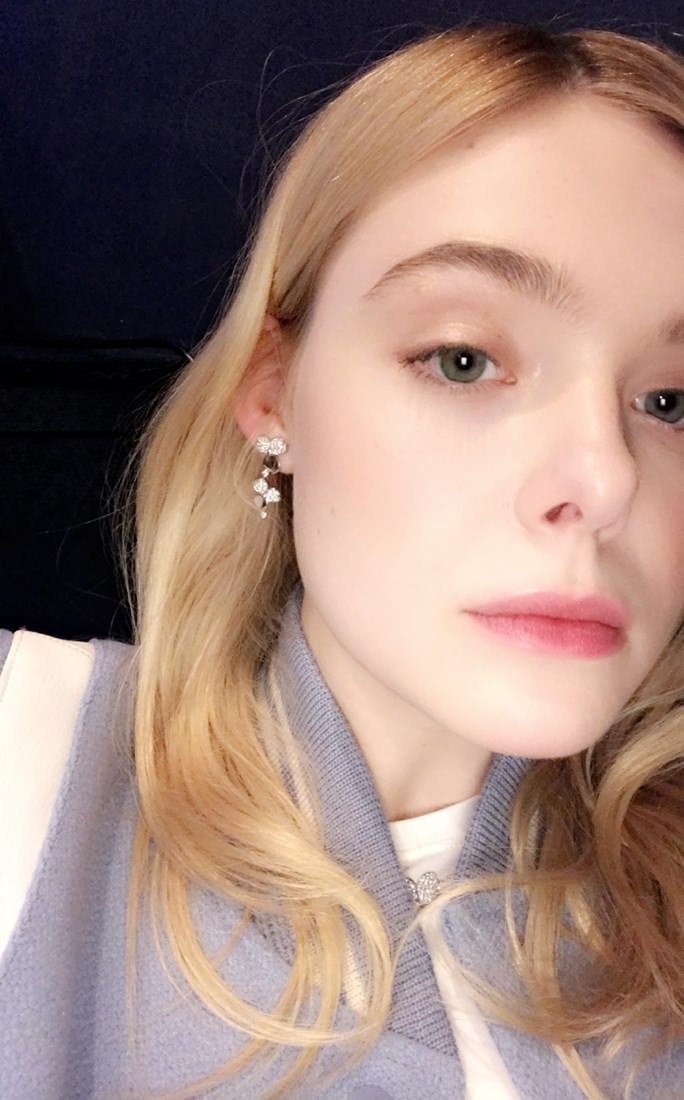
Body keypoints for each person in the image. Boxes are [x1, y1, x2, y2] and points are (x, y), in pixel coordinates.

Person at [1, 20, 684, 1100]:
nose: (606, 479)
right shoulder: (29, 763)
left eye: (671, 401)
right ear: (272, 392)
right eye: (463, 360)